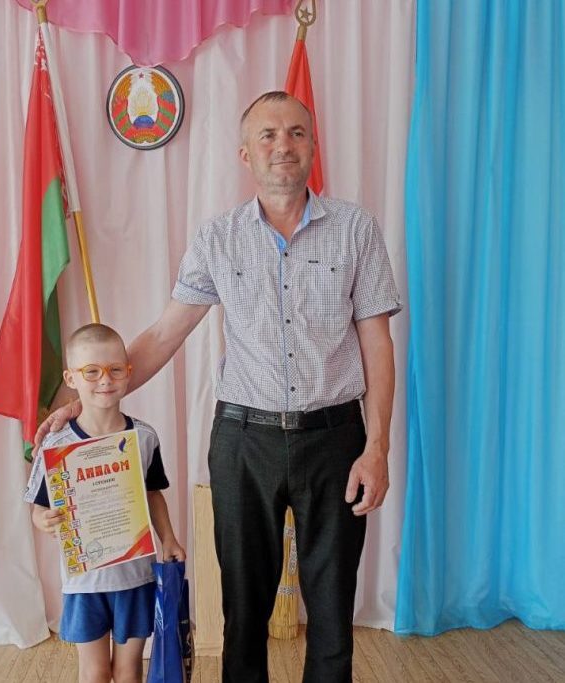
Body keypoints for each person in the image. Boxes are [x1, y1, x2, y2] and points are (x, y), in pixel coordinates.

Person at [37, 92, 402, 683]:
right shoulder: (217, 238)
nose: (282, 145)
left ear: (313, 145)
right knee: (243, 607)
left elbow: (377, 344)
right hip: (243, 441)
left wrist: (377, 446)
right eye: (267, 135)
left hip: (336, 440)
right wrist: (84, 399)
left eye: (296, 132)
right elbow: (163, 335)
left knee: (333, 606)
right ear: (245, 153)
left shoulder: (356, 230)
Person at [25, 323, 185, 683]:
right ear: (71, 378)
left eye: (115, 370)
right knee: (94, 672)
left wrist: (169, 538)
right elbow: (37, 507)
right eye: (92, 372)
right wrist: (43, 519)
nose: (105, 380)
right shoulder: (55, 446)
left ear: (128, 372)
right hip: (84, 582)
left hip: (136, 576)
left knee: (128, 672)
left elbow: (152, 493)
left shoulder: (143, 437)